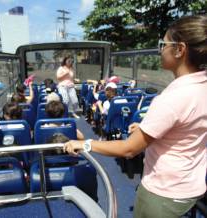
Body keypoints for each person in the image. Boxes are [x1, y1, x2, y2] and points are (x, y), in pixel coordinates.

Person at [64, 15, 207, 218]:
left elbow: (129, 149)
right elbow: (188, 128)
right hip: (191, 188)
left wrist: (85, 144)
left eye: (163, 44)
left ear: (180, 49)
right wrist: (144, 130)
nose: (160, 50)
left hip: (163, 194)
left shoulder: (173, 98)